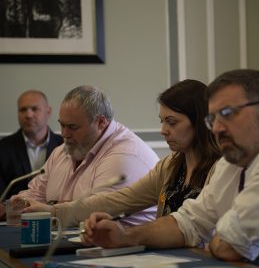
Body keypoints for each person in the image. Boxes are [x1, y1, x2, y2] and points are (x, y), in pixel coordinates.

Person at [81, 69, 259, 268]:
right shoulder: (234, 159)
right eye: (212, 118)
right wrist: (124, 236)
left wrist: (217, 239)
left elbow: (230, 247)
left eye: (227, 114)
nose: (216, 128)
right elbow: (189, 223)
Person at [22, 79, 221, 227]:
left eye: (172, 122)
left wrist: (128, 236)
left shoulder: (222, 168)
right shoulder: (169, 167)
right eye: (162, 121)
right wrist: (54, 212)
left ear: (200, 122)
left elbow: (193, 227)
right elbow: (117, 201)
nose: (163, 131)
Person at [7, 85, 159, 225]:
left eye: (72, 127)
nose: (65, 134)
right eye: (62, 125)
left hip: (130, 248)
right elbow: (34, 194)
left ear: (100, 122)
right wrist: (23, 203)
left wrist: (51, 208)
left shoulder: (124, 155)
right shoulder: (63, 151)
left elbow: (96, 213)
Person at [0, 90, 63, 201]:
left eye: (34, 109)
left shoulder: (65, 146)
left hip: (55, 214)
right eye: (23, 110)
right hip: (14, 215)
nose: (28, 115)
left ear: (48, 111)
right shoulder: (3, 148)